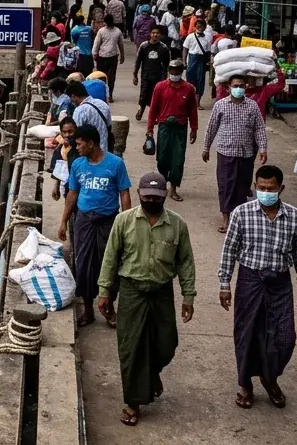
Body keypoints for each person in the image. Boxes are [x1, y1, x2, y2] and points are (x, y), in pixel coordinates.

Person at [97, 172, 196, 426]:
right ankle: (132, 402)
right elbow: (110, 258)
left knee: (166, 344)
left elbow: (185, 262)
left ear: (164, 197)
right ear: (139, 195)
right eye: (147, 196)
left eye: (157, 197)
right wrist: (104, 292)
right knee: (130, 348)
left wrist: (188, 295)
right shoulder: (123, 221)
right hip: (132, 290)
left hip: (162, 291)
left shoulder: (177, 225)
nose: (151, 200)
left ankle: (151, 374)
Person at [218, 164, 297, 409]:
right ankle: (245, 384)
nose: (265, 192)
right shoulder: (241, 213)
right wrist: (224, 283)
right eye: (261, 188)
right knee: (246, 334)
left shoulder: (294, 216)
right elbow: (229, 250)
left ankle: (270, 378)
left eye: (270, 188)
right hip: (250, 280)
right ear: (255, 187)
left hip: (280, 282)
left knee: (284, 337)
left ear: (281, 188)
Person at [58, 123, 132, 328]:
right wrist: (64, 221)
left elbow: (124, 193)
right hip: (84, 220)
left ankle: (109, 309)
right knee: (83, 266)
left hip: (108, 221)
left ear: (91, 143)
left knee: (109, 265)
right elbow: (72, 193)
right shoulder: (78, 165)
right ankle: (88, 310)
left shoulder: (115, 164)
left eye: (80, 144)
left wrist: (126, 223)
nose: (77, 147)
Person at [203, 73, 268, 234]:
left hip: (246, 153)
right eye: (235, 86)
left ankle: (238, 218)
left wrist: (263, 148)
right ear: (228, 88)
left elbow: (259, 128)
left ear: (245, 87)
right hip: (226, 152)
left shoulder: (252, 106)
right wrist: (206, 147)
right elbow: (212, 127)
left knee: (242, 186)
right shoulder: (221, 105)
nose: (238, 89)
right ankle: (226, 219)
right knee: (226, 186)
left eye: (241, 86)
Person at [147, 59, 197, 202]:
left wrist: (194, 128)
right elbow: (153, 109)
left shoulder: (188, 89)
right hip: (164, 126)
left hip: (180, 127)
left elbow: (193, 110)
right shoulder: (160, 87)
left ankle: (173, 188)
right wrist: (149, 129)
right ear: (168, 71)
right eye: (171, 71)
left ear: (181, 72)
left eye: (177, 71)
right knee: (162, 158)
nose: (174, 74)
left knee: (178, 159)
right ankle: (163, 184)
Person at [134, 26, 170, 121]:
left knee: (157, 96)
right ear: (150, 34)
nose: (155, 35)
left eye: (157, 33)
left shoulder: (164, 48)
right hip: (146, 75)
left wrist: (166, 78)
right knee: (144, 94)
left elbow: (167, 65)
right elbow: (138, 61)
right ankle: (140, 110)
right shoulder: (144, 46)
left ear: (160, 35)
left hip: (159, 76)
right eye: (153, 33)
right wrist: (135, 75)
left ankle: (154, 115)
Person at [69, 81, 113, 153]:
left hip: (89, 150)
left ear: (73, 96)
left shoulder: (79, 110)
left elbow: (76, 133)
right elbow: (109, 125)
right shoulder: (102, 104)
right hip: (106, 149)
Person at [92, 14, 126, 101]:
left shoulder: (101, 31)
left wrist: (94, 53)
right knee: (111, 77)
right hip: (111, 57)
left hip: (104, 57)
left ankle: (105, 95)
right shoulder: (117, 31)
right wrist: (122, 55)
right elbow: (121, 45)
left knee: (102, 77)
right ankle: (109, 95)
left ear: (105, 22)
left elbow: (96, 43)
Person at [181, 19, 211, 95]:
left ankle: (198, 103)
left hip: (201, 61)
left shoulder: (207, 38)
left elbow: (208, 51)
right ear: (195, 27)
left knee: (200, 81)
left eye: (201, 26)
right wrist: (184, 61)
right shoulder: (190, 36)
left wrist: (208, 61)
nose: (199, 27)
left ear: (204, 27)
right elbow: (185, 49)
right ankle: (189, 100)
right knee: (190, 80)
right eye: (198, 26)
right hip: (192, 59)